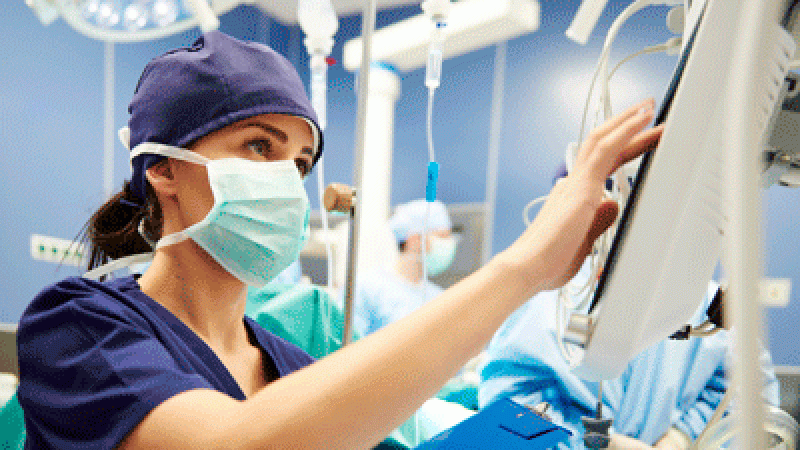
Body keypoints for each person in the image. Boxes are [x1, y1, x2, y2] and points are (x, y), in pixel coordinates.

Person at [16, 30, 663, 450]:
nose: (285, 180)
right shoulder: (81, 326)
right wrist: (521, 269)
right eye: (259, 146)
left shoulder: (287, 362)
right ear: (163, 168)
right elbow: (238, 444)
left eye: (299, 163)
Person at [479, 258, 781, 449]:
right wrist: (592, 444)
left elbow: (742, 391)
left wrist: (680, 437)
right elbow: (510, 407)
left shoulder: (702, 307)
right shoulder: (557, 296)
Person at [353, 199, 456, 336]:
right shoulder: (366, 288)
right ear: (414, 240)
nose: (449, 243)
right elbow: (348, 348)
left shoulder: (439, 298)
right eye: (442, 236)